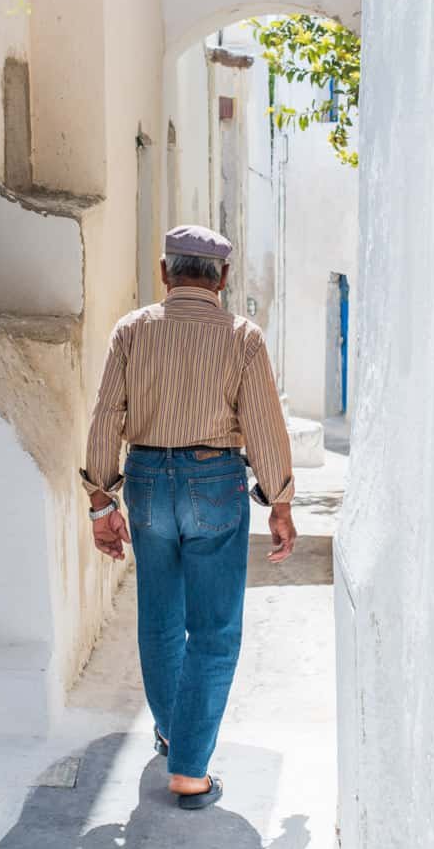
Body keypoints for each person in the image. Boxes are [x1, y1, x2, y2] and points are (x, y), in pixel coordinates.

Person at [80, 223, 297, 810]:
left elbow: (106, 418)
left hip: (147, 482)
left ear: (164, 272)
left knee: (159, 618)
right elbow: (264, 424)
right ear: (223, 279)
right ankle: (190, 769)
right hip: (215, 482)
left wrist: (101, 501)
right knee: (215, 631)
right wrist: (280, 500)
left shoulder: (131, 331)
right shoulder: (243, 338)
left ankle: (175, 732)